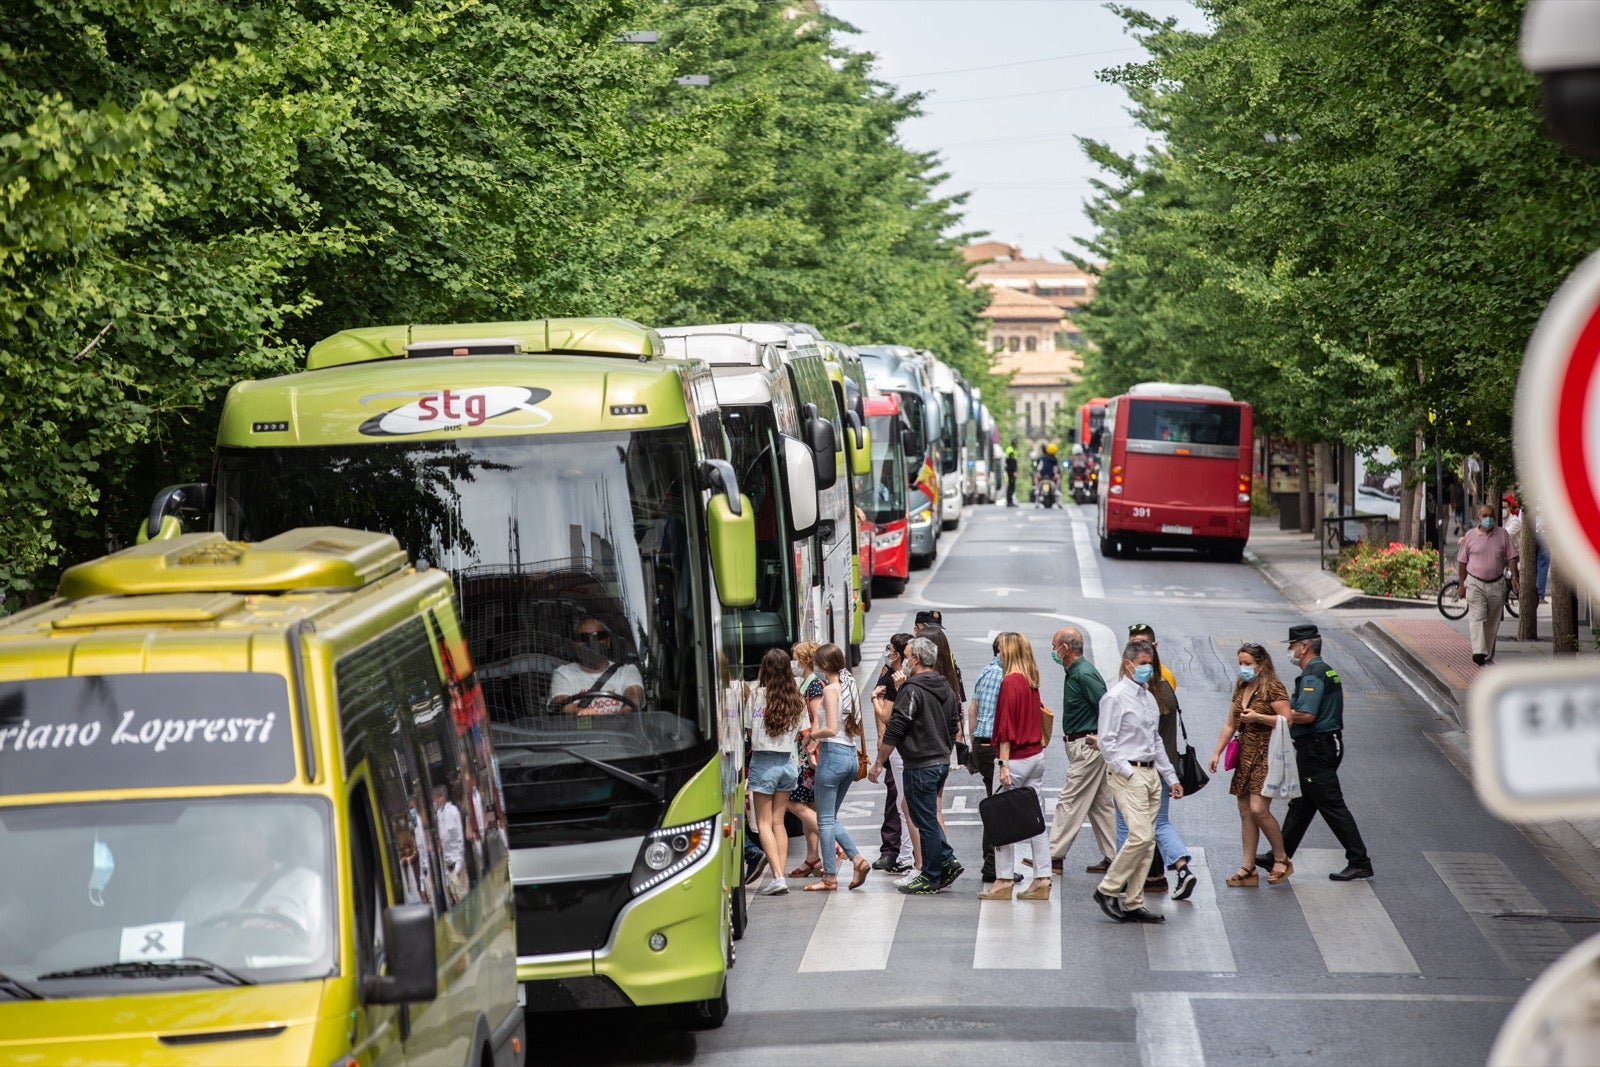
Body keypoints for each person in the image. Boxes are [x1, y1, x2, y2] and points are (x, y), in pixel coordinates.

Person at [1258, 624, 1373, 881]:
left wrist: (1274, 716)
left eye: (1291, 645)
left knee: (1331, 804)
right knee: (1302, 803)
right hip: (1320, 745)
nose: (1290, 650)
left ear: (1304, 646)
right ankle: (1280, 854)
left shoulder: (1313, 674)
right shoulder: (1324, 671)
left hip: (1316, 748)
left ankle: (1359, 860)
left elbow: (1307, 715)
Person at [1092, 639, 1183, 925]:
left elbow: (1155, 740)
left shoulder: (1149, 697)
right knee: (1141, 836)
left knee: (1147, 843)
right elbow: (1106, 741)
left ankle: (1133, 902)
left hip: (1151, 773)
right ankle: (1107, 889)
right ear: (1128, 664)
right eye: (1143, 663)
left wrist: (1170, 777)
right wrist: (1126, 772)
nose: (1148, 669)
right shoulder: (1115, 697)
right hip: (1127, 774)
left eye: (1150, 663)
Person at [868, 636, 963, 895]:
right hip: (940, 759)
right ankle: (945, 862)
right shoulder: (944, 685)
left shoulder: (912, 689)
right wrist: (943, 749)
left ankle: (934, 872)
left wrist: (879, 762)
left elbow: (897, 726)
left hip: (920, 763)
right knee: (924, 814)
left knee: (925, 820)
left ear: (917, 660)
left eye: (909, 656)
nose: (906, 661)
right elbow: (953, 723)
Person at [1118, 624, 1198, 901]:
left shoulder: (1145, 692)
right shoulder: (1162, 685)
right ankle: (1180, 869)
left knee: (1126, 826)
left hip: (1142, 768)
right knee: (1159, 823)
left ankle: (1126, 882)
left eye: (1140, 647)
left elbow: (1140, 737)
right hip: (1164, 766)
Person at [1210, 643, 1294, 887]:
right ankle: (1248, 867)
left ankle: (1281, 858)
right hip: (1245, 755)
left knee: (1258, 809)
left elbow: (1287, 720)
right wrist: (1217, 752)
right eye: (1241, 664)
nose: (1243, 668)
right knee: (1245, 810)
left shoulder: (1273, 688)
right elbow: (1230, 723)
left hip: (1267, 754)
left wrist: (1259, 717)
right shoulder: (1242, 688)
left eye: (1248, 664)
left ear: (1261, 664)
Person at [979, 633, 1053, 901]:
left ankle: (1003, 879)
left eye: (1001, 650)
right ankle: (1043, 877)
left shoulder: (1010, 682)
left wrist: (1004, 763)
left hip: (1018, 758)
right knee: (1036, 821)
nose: (998, 655)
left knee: (1002, 818)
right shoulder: (1032, 679)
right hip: (1036, 756)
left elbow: (1007, 728)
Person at [176, 810, 325, 945]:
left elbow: (319, 945)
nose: (226, 842)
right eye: (223, 836)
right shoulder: (202, 895)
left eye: (236, 833)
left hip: (292, 973)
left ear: (261, 839)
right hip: (220, 974)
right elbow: (178, 946)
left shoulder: (306, 883)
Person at [1042, 626, 1117, 876]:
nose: (1053, 652)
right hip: (1083, 745)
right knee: (1100, 804)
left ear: (1065, 648)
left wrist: (1102, 738)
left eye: (1055, 647)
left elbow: (1106, 705)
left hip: (1088, 746)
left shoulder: (1084, 673)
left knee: (1070, 799)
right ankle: (1114, 856)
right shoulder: (1074, 671)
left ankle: (1053, 855)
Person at [807, 643, 872, 891]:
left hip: (833, 755)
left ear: (824, 665)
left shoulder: (831, 690)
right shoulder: (849, 685)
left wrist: (812, 735)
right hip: (850, 756)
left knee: (823, 820)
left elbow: (831, 729)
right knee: (829, 817)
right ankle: (857, 860)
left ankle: (830, 877)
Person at [749, 648, 806, 896]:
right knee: (778, 822)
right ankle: (779, 873)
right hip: (788, 762)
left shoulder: (757, 695)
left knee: (763, 823)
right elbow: (802, 732)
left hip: (763, 762)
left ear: (765, 670)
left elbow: (749, 731)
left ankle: (778, 877)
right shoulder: (796, 698)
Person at [872, 633, 917, 875]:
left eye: (889, 648)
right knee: (907, 802)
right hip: (911, 747)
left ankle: (908, 857)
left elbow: (887, 716)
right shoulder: (909, 675)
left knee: (904, 804)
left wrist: (874, 701)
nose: (887, 652)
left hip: (901, 748)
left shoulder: (896, 680)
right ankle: (907, 855)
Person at [1456, 503, 1519, 665]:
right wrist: (1461, 584)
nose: (1488, 519)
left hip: (1496, 584)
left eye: (1491, 516)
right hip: (1475, 583)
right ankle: (1478, 651)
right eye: (1485, 516)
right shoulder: (1470, 536)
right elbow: (1462, 562)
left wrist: (1514, 577)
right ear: (1478, 518)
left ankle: (1487, 653)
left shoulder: (1503, 535)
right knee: (1477, 617)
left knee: (1492, 621)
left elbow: (1512, 556)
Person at [786, 641, 827, 879]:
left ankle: (834, 843)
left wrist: (811, 750)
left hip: (808, 753)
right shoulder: (806, 683)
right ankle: (812, 857)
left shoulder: (813, 686)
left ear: (803, 660)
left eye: (795, 658)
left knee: (795, 803)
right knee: (809, 805)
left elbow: (815, 722)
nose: (794, 662)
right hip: (804, 751)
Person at [967, 635, 1005, 885]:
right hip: (992, 746)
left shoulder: (990, 671)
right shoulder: (998, 674)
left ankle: (994, 863)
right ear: (1001, 650)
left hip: (984, 745)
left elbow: (973, 710)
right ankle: (992, 865)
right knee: (999, 808)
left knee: (996, 804)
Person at [549, 616, 645, 714]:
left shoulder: (627, 671)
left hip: (621, 729)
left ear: (608, 641)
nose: (592, 643)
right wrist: (580, 712)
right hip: (580, 729)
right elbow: (562, 703)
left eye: (599, 636)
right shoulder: (563, 673)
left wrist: (626, 710)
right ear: (574, 644)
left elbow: (634, 695)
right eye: (584, 637)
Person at [433, 781, 469, 904]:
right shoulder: (439, 814)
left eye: (436, 799)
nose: (435, 802)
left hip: (456, 862)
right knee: (457, 898)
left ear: (442, 797)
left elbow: (459, 837)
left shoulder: (453, 811)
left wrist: (459, 861)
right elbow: (443, 842)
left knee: (464, 896)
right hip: (448, 865)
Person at [1004, 439, 1019, 507]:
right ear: (1014, 444)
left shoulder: (1010, 449)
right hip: (1011, 471)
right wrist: (1014, 471)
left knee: (1011, 486)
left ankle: (1010, 501)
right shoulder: (1011, 451)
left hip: (1010, 470)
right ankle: (1009, 501)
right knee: (1011, 486)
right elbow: (1012, 462)